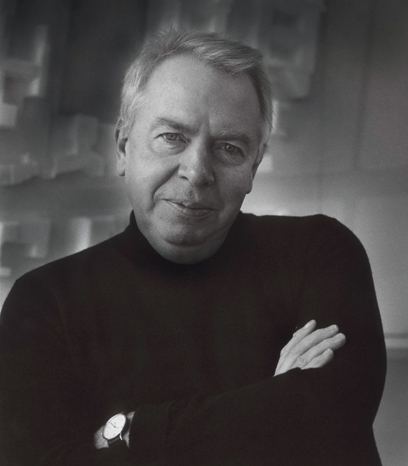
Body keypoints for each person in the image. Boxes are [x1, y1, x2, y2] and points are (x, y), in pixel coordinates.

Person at [0, 30, 386, 466]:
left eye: (229, 148)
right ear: (124, 148)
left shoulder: (319, 252)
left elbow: (334, 412)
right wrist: (277, 403)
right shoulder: (44, 302)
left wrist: (131, 432)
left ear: (254, 166)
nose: (198, 171)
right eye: (172, 137)